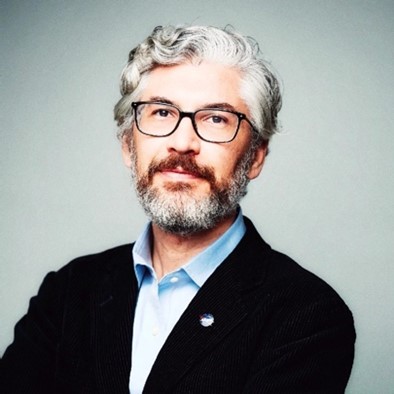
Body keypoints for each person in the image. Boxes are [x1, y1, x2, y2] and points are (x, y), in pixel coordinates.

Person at [1, 25, 355, 393]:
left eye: (216, 119)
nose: (182, 143)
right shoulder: (68, 292)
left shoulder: (307, 316)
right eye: (161, 113)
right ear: (128, 145)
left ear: (255, 157)